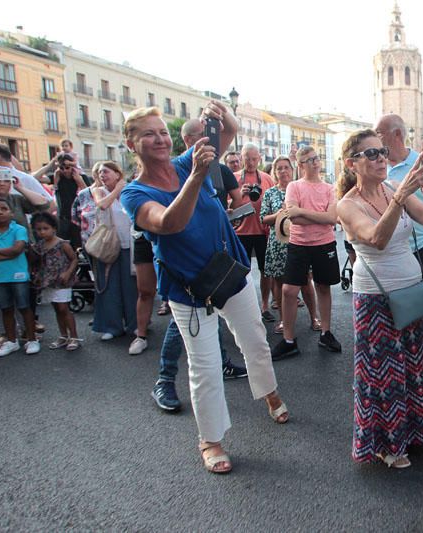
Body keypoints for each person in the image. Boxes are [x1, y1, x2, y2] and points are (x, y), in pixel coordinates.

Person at [120, 103, 286, 474]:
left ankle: (270, 392)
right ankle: (210, 440)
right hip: (189, 288)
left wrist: (223, 113)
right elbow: (167, 223)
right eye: (149, 133)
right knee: (205, 365)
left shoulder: (184, 164)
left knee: (255, 340)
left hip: (229, 272)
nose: (160, 138)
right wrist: (196, 177)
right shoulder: (134, 193)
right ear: (132, 144)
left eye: (162, 131)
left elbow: (226, 133)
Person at [336, 128, 423, 468]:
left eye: (382, 151)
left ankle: (414, 430)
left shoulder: (394, 187)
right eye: (371, 154)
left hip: (410, 288)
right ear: (352, 163)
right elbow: (376, 238)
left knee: (413, 365)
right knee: (383, 373)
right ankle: (386, 443)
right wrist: (399, 199)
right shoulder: (347, 204)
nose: (381, 158)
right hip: (376, 299)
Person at [149, 119, 248, 412]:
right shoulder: (176, 171)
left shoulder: (210, 167)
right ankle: (164, 381)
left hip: (214, 262)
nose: (213, 142)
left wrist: (228, 216)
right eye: (207, 136)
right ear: (192, 139)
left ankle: (222, 363)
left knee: (211, 314)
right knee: (181, 326)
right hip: (185, 268)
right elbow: (169, 221)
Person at [375, 114, 423, 367]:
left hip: (417, 250)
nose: (375, 139)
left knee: (414, 308)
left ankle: (412, 360)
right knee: (386, 312)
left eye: (379, 132)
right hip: (384, 253)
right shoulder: (378, 165)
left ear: (396, 134)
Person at [271, 146, 342, 359]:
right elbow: (294, 219)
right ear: (300, 165)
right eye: (309, 160)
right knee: (288, 291)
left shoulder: (330, 188)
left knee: (323, 286)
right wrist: (316, 216)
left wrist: (301, 210)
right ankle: (289, 340)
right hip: (298, 244)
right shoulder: (294, 186)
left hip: (324, 243)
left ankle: (326, 332)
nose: (315, 162)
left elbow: (332, 218)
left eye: (316, 158)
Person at [259, 156, 319, 335]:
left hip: (301, 241)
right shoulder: (270, 193)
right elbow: (263, 218)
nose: (283, 171)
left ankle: (314, 317)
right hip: (278, 243)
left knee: (306, 281)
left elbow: (312, 212)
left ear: (292, 170)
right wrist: (278, 213)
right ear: (275, 172)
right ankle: (284, 320)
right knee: (279, 282)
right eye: (279, 168)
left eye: (286, 167)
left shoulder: (301, 188)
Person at [89, 161, 138, 344]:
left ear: (117, 173)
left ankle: (135, 324)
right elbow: (102, 205)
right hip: (109, 245)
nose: (102, 175)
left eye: (106, 172)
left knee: (131, 287)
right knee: (109, 287)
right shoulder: (98, 190)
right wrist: (118, 189)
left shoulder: (129, 190)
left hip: (129, 245)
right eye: (101, 172)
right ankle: (112, 326)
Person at [232, 143, 275, 321]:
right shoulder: (233, 178)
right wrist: (239, 195)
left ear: (259, 159)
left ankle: (265, 305)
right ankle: (245, 307)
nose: (250, 162)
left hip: (262, 231)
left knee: (266, 271)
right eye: (247, 158)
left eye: (254, 159)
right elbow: (226, 207)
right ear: (242, 158)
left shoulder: (266, 178)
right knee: (243, 271)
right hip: (240, 233)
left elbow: (274, 202)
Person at [0, 199, 39, 356]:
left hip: (18, 276)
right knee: (5, 309)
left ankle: (32, 339)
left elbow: (17, 250)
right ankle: (12, 341)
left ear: (11, 212)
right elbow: (12, 251)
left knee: (24, 307)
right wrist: (9, 252)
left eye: (3, 208)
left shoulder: (19, 229)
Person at [29, 212, 79, 351]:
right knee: (57, 308)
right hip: (48, 281)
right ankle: (63, 335)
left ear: (54, 228)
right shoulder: (39, 246)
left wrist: (68, 273)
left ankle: (74, 336)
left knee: (64, 308)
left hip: (62, 281)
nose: (42, 232)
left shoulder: (63, 244)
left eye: (45, 228)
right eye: (39, 229)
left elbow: (74, 259)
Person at [53, 154, 91, 249]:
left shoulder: (82, 177)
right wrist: (55, 179)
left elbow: (89, 194)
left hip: (79, 218)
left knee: (79, 246)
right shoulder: (58, 177)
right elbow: (36, 178)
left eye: (67, 167)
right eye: (62, 168)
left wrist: (79, 180)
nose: (65, 171)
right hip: (63, 218)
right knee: (63, 246)